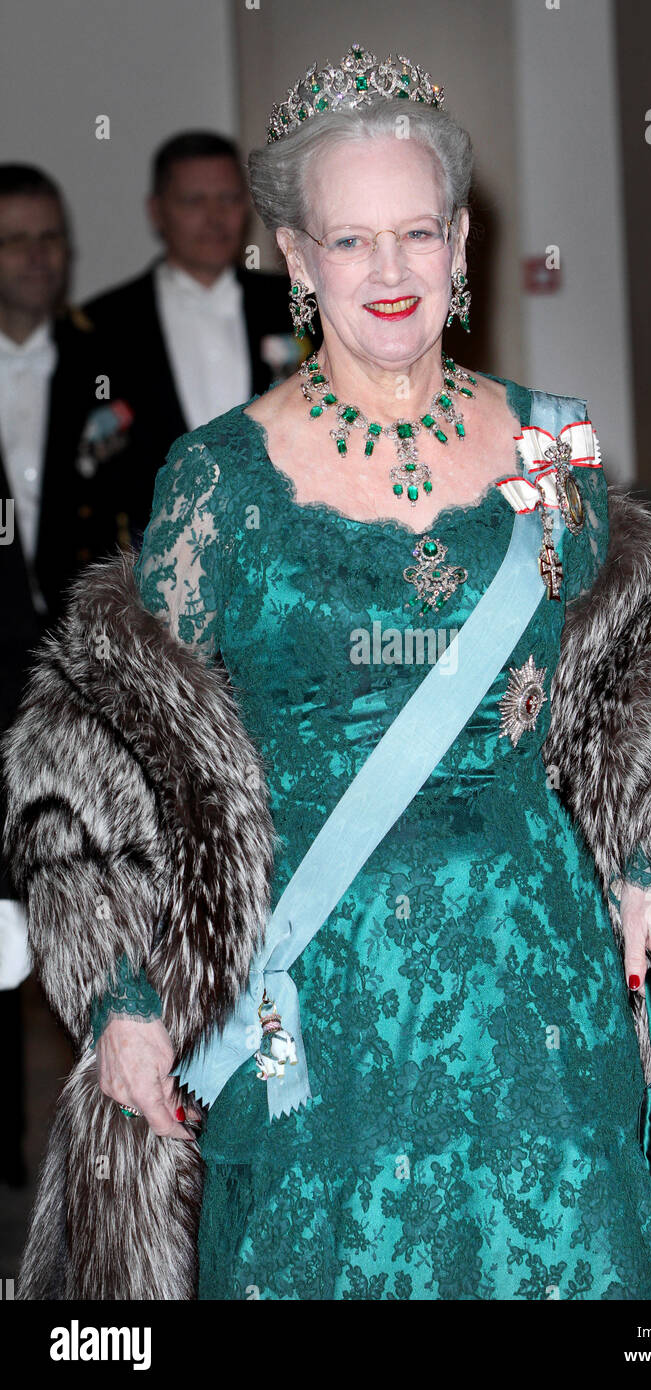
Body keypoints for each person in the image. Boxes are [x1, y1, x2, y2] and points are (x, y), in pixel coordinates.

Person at [1, 46, 651, 1300]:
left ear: (460, 242)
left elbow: (649, 667)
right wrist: (125, 991)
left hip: (541, 988)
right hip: (313, 1009)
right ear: (296, 259)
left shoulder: (552, 442)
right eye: (348, 241)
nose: (386, 272)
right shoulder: (220, 482)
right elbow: (108, 744)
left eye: (414, 233)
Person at [0, 163, 129, 1188]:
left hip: (81, 693)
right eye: (15, 240)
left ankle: (108, 1136)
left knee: (90, 909)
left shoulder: (105, 363)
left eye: (50, 238)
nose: (38, 258)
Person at [83, 130, 311, 548]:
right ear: (157, 212)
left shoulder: (299, 302)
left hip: (284, 554)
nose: (214, 217)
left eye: (228, 199)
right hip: (153, 569)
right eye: (193, 201)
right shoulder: (104, 324)